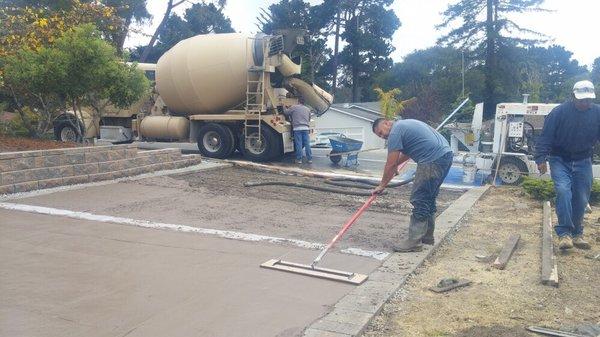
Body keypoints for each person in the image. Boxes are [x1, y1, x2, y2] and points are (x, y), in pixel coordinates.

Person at [535, 80, 600, 250]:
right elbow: (545, 136)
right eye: (581, 100)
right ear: (573, 96)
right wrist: (541, 158)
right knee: (563, 192)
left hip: (583, 160)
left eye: (588, 100)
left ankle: (577, 234)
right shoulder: (558, 112)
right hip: (559, 159)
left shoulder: (597, 113)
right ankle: (564, 234)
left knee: (581, 197)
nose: (585, 103)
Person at [372, 118, 453, 252]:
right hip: (445, 155)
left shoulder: (395, 132)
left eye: (381, 132)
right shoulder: (405, 125)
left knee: (419, 198)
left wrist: (382, 185)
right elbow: (407, 153)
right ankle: (427, 237)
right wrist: (396, 166)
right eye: (379, 136)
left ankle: (414, 241)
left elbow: (390, 163)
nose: (383, 136)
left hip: (431, 159)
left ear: (386, 123)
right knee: (429, 197)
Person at [284, 97, 313, 164]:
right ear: (304, 102)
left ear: (298, 101)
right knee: (307, 144)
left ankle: (299, 160)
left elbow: (286, 112)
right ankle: (310, 159)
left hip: (297, 129)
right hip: (305, 128)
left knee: (298, 144)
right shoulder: (308, 109)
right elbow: (309, 119)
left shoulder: (294, 107)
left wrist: (284, 107)